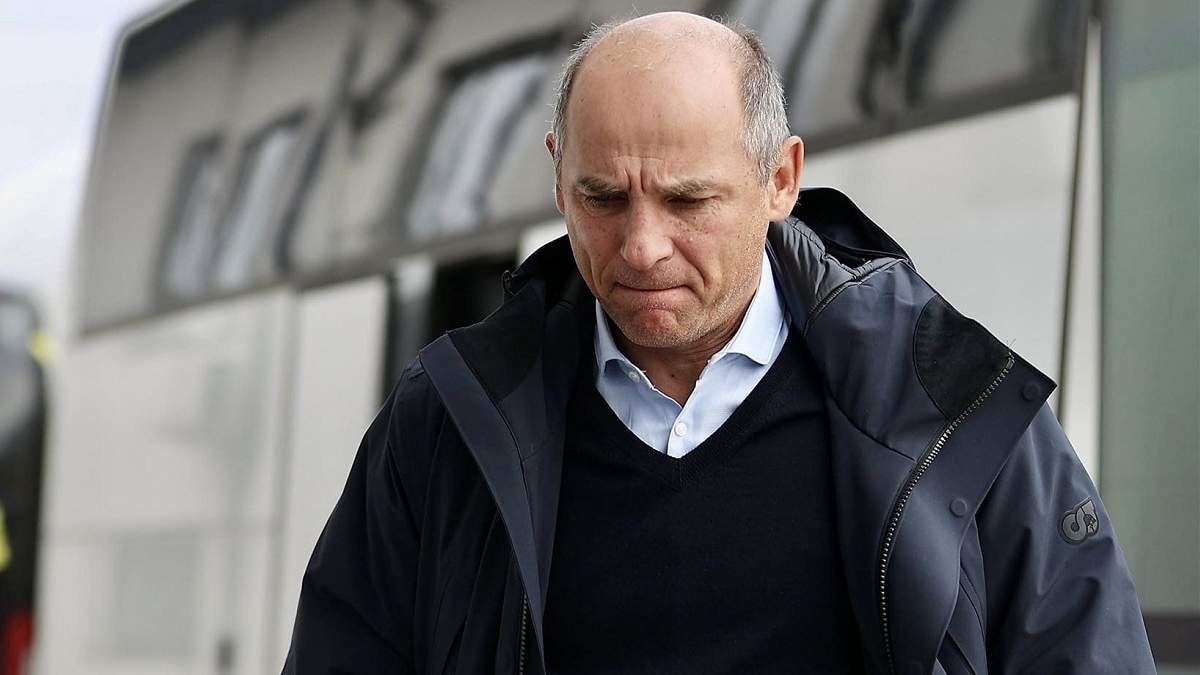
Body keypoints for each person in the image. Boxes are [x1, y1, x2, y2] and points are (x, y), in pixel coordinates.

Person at [284, 11, 1154, 674]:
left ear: (781, 179)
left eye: (687, 200)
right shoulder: (442, 426)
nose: (641, 247)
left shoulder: (955, 407)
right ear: (557, 176)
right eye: (602, 197)